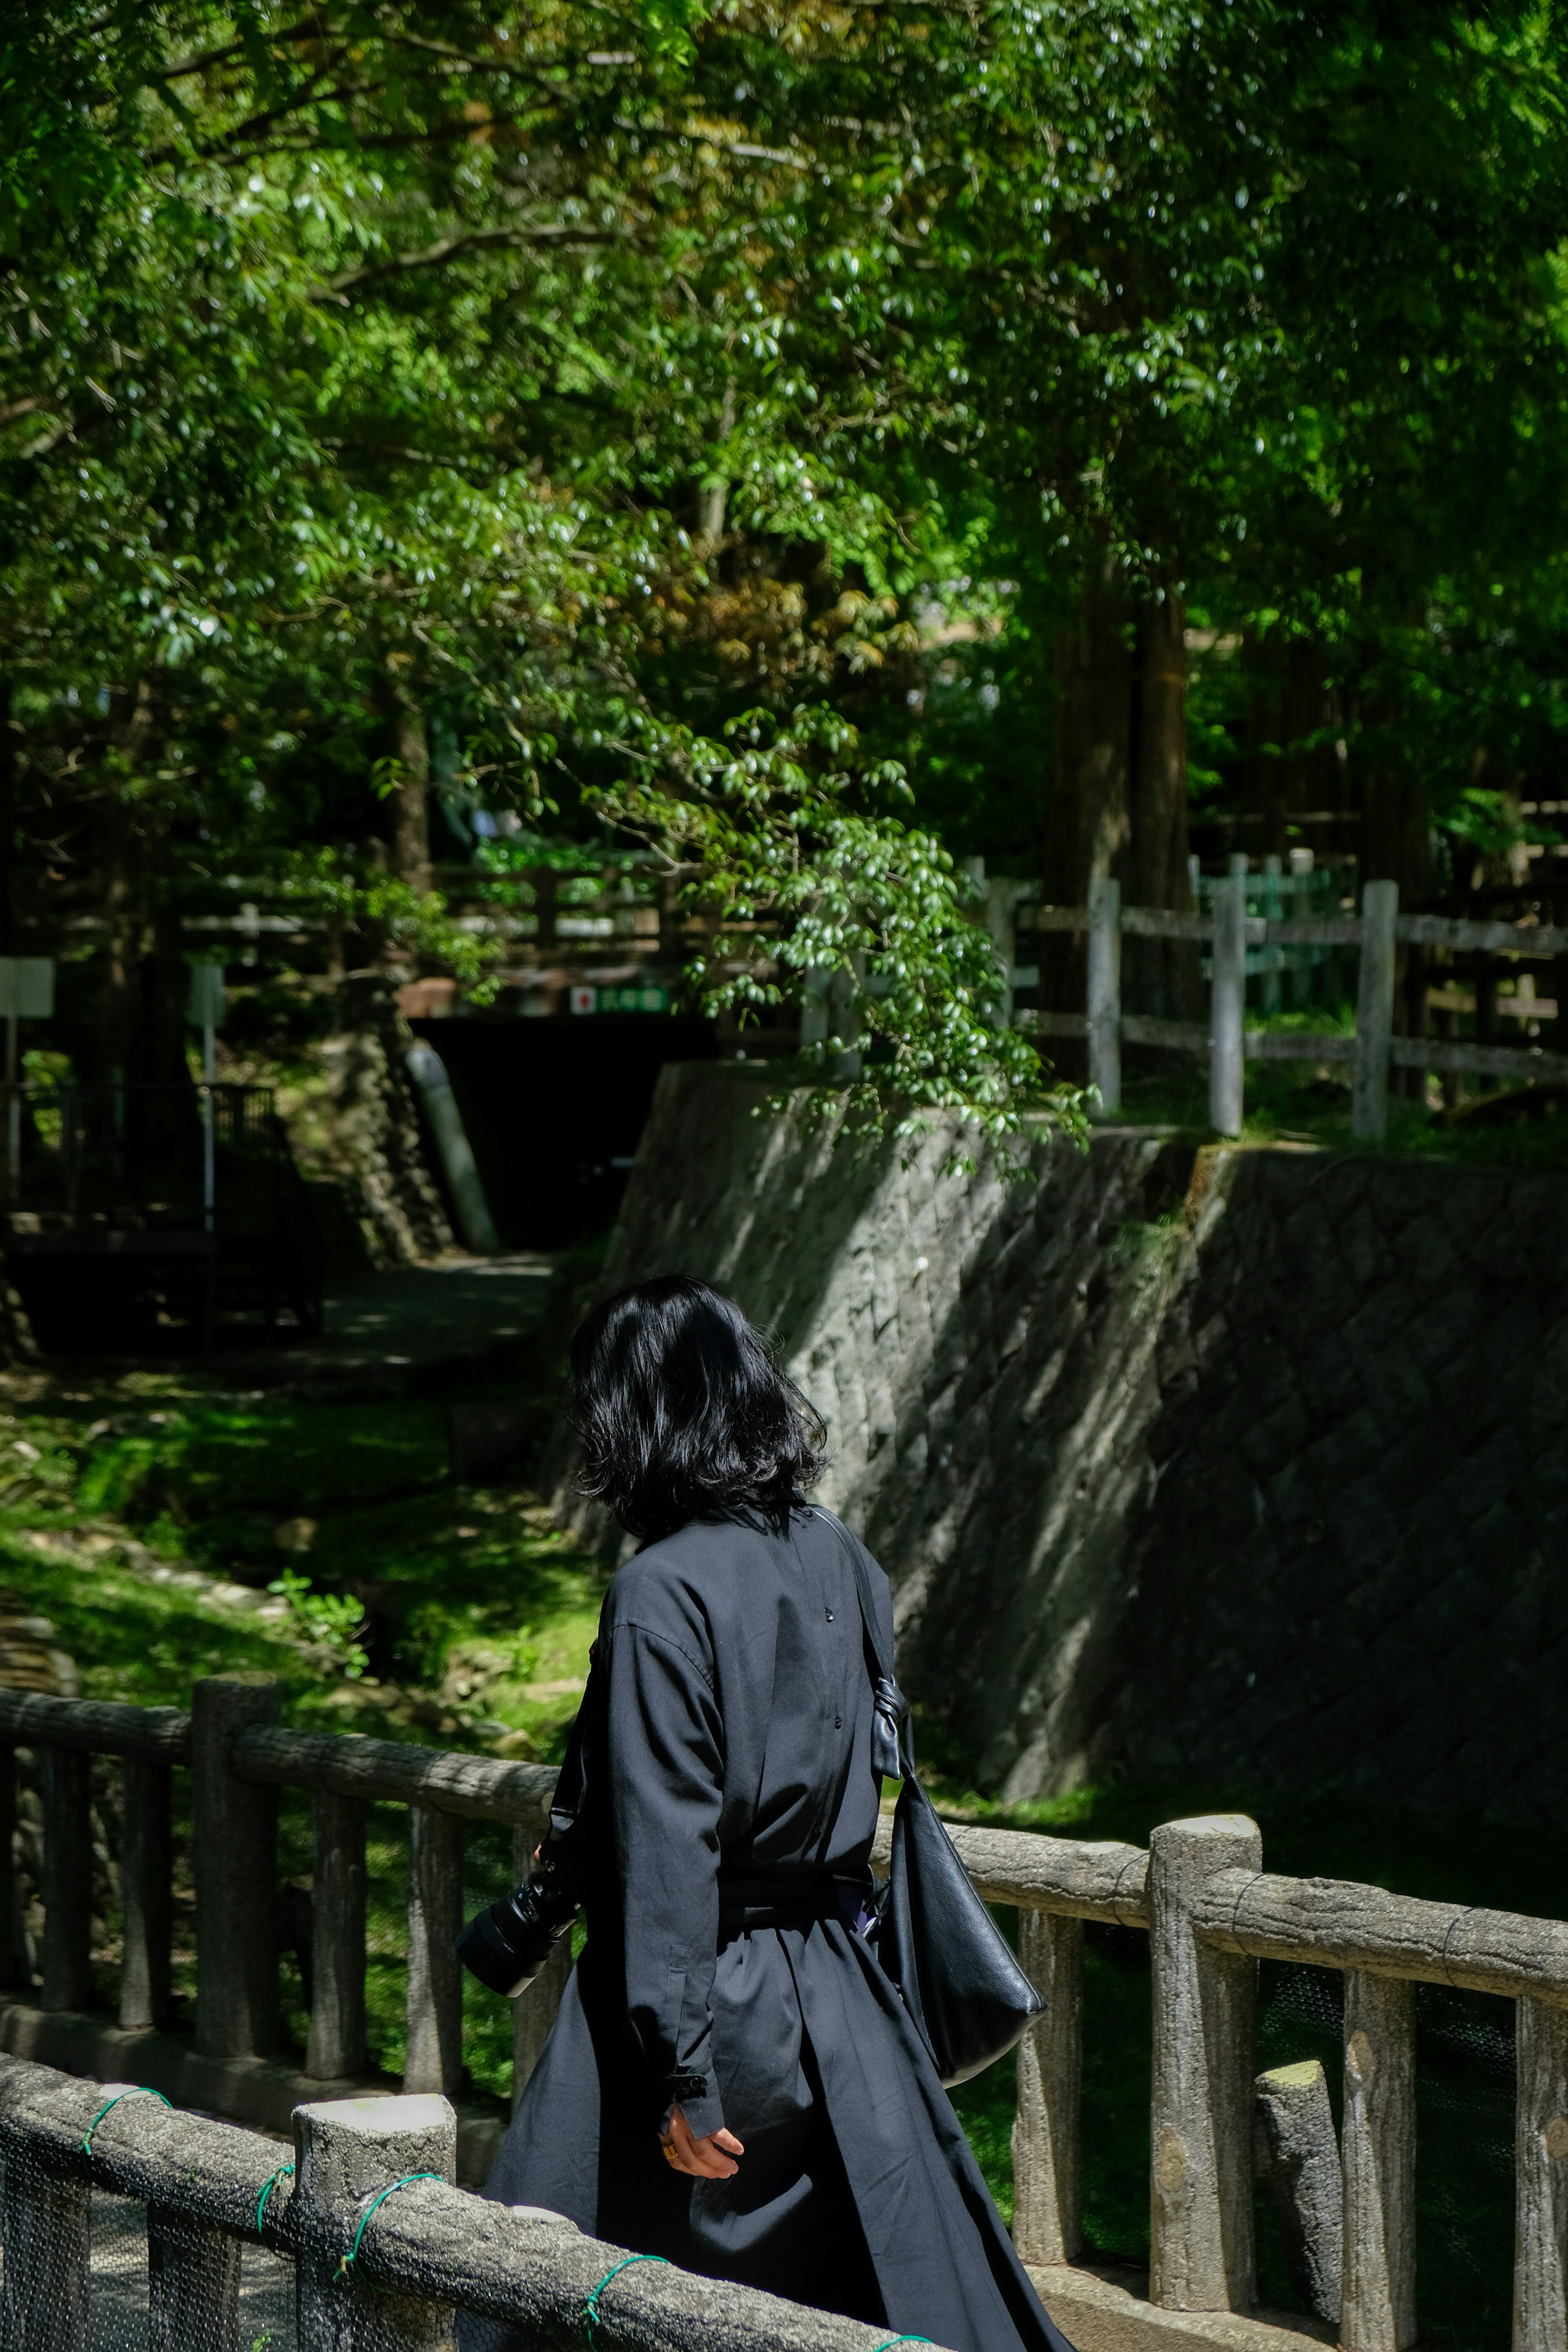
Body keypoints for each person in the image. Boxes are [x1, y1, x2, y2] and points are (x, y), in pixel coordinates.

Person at [474, 1276, 1074, 2352]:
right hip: (844, 2001)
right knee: (880, 2297)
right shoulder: (843, 1554)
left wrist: (684, 2079)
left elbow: (670, 1856)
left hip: (703, 2004)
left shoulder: (660, 1591)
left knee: (550, 2292)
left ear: (631, 1419)